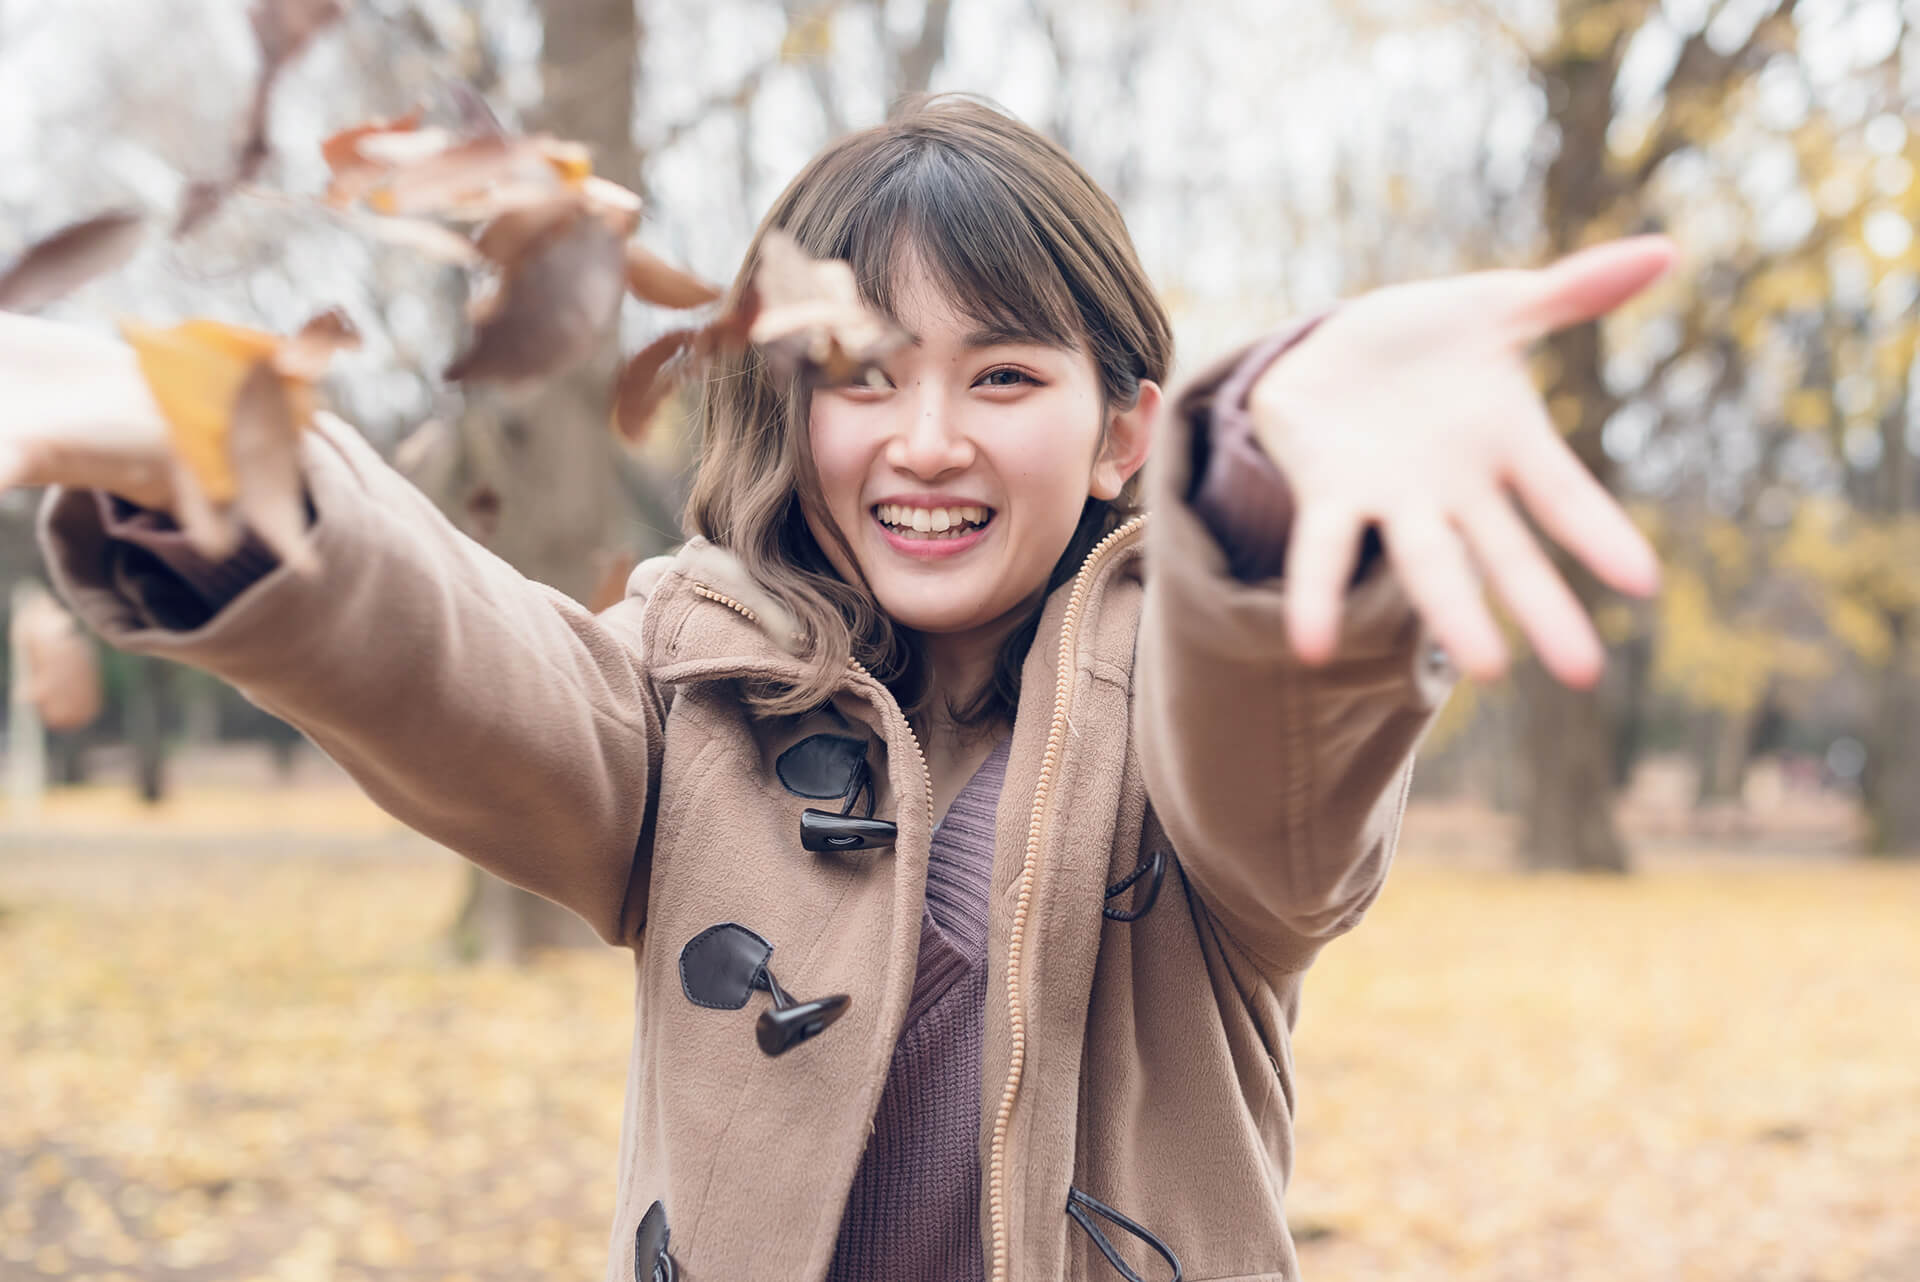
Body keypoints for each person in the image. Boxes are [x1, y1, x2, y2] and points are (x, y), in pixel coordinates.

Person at [3, 94, 1668, 1282]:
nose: (926, 440)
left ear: (1118, 433)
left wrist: (1275, 487)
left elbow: (1286, 752)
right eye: (863, 377)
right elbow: (454, 662)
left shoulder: (1193, 711)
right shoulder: (691, 684)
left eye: (1002, 375)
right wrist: (246, 464)